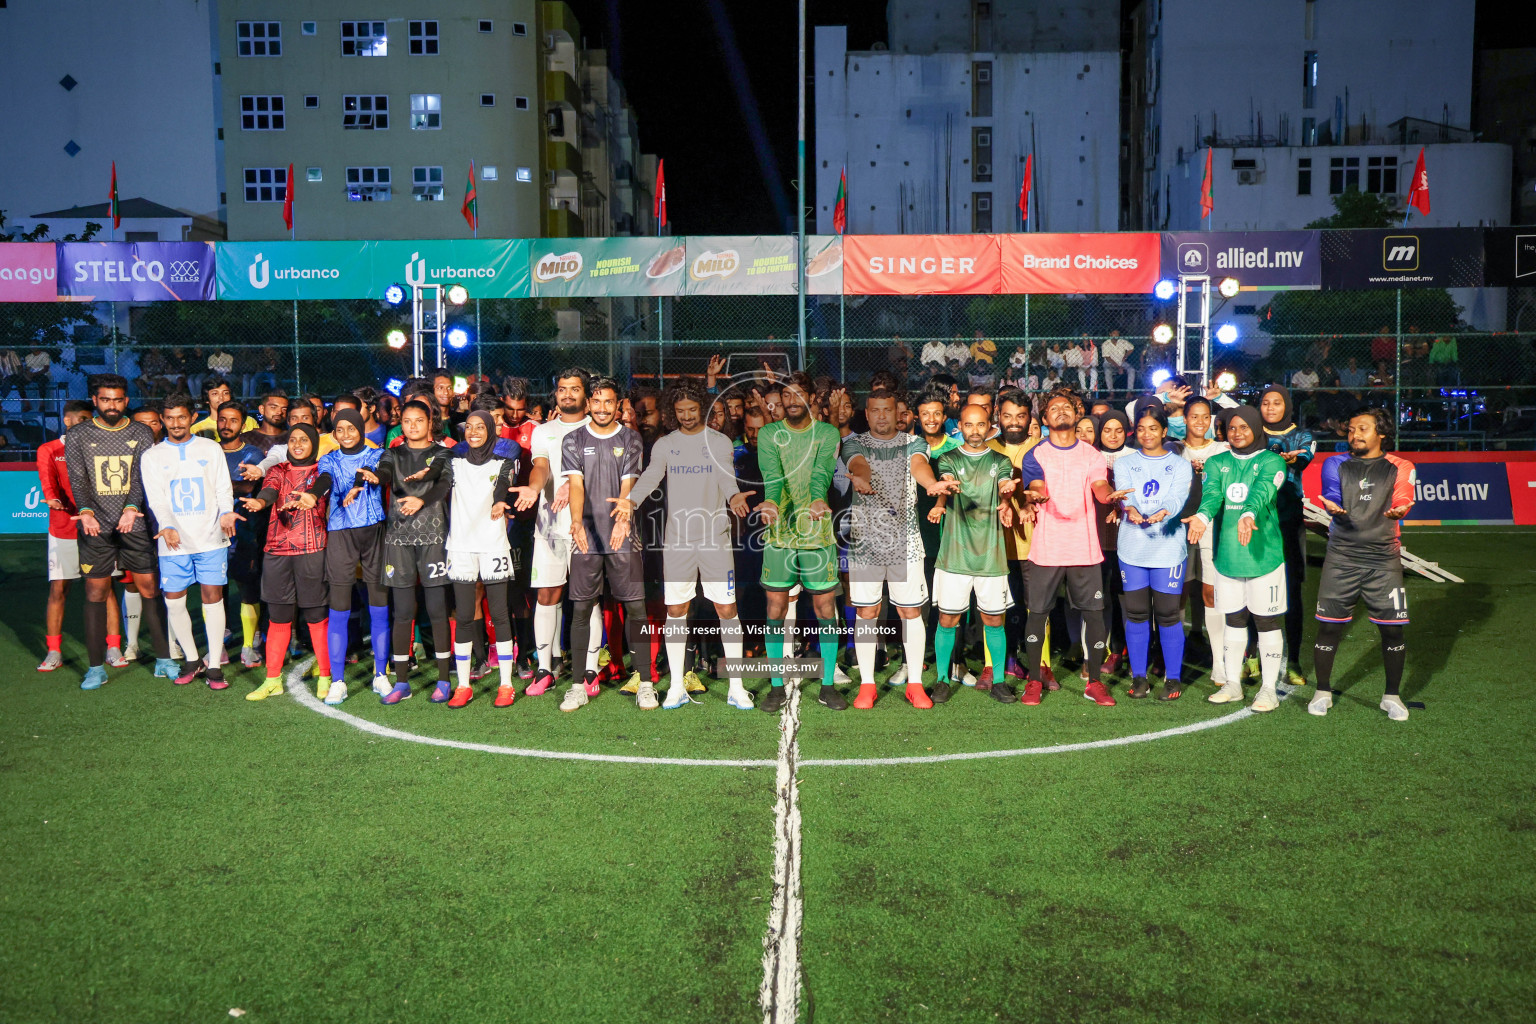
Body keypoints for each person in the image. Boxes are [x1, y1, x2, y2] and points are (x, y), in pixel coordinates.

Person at [620, 380, 754, 709]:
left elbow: (725, 478)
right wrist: (631, 501)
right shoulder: (666, 444)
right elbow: (651, 475)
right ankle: (677, 687)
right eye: (680, 412)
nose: (687, 417)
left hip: (714, 540)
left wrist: (734, 494)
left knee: (727, 609)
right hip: (678, 542)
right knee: (676, 610)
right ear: (672, 413)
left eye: (692, 410)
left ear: (702, 409)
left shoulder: (720, 442)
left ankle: (737, 688)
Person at [1018, 390, 1131, 706]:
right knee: (1037, 614)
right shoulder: (1035, 455)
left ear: (1077, 414)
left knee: (1094, 615)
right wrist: (1035, 496)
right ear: (1045, 418)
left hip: (1084, 548)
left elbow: (1099, 485)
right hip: (1047, 548)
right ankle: (1035, 681)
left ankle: (1094, 682)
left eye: (1066, 406)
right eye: (1053, 408)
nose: (1061, 411)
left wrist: (1109, 496)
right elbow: (1036, 485)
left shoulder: (1092, 455)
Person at [66, 374, 175, 689]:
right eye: (105, 399)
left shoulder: (140, 432)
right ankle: (96, 667)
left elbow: (143, 476)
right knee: (95, 593)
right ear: (95, 400)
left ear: (126, 401)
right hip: (95, 526)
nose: (111, 405)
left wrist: (130, 508)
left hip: (134, 524)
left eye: (117, 400)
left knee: (150, 589)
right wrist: (85, 512)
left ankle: (164, 658)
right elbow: (78, 477)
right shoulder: (79, 435)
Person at [1309, 407, 1415, 720]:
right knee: (1328, 626)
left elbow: (1404, 495)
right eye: (1352, 429)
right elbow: (1331, 491)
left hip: (1384, 560)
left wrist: (1401, 508)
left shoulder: (1400, 465)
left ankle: (1392, 696)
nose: (1354, 435)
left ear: (1381, 433)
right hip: (1341, 557)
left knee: (1393, 632)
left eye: (1363, 429)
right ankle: (1322, 691)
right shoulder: (1336, 462)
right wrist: (1332, 504)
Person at [843, 388, 945, 709]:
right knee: (867, 612)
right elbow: (860, 465)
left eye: (888, 410)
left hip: (905, 541)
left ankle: (915, 684)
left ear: (898, 413)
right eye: (876, 411)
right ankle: (868, 686)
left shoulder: (913, 442)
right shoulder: (853, 442)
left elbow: (918, 466)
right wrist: (860, 479)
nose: (882, 416)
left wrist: (930, 484)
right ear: (867, 413)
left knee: (909, 612)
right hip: (866, 542)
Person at [1184, 406, 1289, 711]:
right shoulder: (1217, 462)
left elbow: (1263, 491)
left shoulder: (1271, 460)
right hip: (1227, 555)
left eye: (1244, 427)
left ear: (1257, 428)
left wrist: (1247, 514)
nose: (1238, 433)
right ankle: (1233, 683)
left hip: (1263, 555)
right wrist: (1202, 516)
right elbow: (1213, 494)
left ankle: (1268, 689)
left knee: (1267, 621)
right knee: (1233, 619)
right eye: (1231, 428)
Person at [559, 378, 653, 711]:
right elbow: (576, 485)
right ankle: (577, 686)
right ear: (588, 405)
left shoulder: (631, 438)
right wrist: (576, 522)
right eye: (596, 402)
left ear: (618, 405)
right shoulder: (573, 440)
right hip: (587, 536)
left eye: (608, 402)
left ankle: (645, 683)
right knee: (582, 609)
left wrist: (624, 520)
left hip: (623, 536)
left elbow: (630, 483)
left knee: (636, 610)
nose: (601, 408)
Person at [756, 371, 845, 713]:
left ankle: (826, 685)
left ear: (812, 398)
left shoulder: (826, 432)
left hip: (818, 533)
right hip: (780, 535)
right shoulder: (769, 434)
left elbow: (823, 471)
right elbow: (774, 477)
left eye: (799, 395)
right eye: (786, 396)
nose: (792, 401)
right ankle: (777, 686)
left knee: (826, 610)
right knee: (775, 609)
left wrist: (819, 499)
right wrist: (772, 503)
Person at [141, 393, 240, 690]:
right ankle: (192, 659)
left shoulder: (210, 448)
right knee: (174, 601)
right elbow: (155, 498)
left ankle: (213, 666)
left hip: (211, 538)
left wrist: (226, 514)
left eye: (181, 417)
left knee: (213, 597)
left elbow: (224, 487)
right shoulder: (152, 456)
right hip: (173, 541)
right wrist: (167, 525)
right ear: (162, 421)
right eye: (169, 418)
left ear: (192, 418)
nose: (175, 423)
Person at [927, 404, 1019, 703]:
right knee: (947, 619)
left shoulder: (1000, 460)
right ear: (960, 428)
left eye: (981, 425)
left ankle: (1000, 681)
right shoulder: (948, 458)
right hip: (955, 554)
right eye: (969, 425)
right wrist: (942, 499)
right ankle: (942, 679)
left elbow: (1005, 481)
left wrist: (1007, 489)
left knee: (994, 621)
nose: (975, 431)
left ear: (989, 425)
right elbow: (946, 482)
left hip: (991, 554)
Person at [299, 408, 388, 705]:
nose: (346, 434)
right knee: (339, 606)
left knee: (378, 603)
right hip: (340, 533)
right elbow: (324, 479)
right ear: (334, 433)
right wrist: (313, 494)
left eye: (352, 428)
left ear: (362, 428)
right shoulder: (329, 458)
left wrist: (359, 484)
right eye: (340, 429)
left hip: (374, 531)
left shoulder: (376, 454)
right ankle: (338, 681)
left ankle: (380, 674)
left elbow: (375, 474)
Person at [237, 423, 332, 701]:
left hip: (311, 549)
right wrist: (261, 503)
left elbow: (323, 486)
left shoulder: (322, 471)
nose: (298, 444)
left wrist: (310, 497)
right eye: (293, 440)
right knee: (278, 617)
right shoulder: (277, 470)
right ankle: (272, 679)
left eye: (304, 440)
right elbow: (269, 490)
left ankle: (325, 675)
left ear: (314, 442)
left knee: (315, 615)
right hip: (277, 551)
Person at [369, 399, 455, 704]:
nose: (413, 426)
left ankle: (444, 680)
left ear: (429, 422)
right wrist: (375, 477)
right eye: (407, 421)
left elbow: (443, 483)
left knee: (437, 610)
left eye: (419, 420)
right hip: (399, 540)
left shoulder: (442, 452)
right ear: (400, 424)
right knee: (403, 612)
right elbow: (384, 472)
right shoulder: (392, 452)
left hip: (434, 537)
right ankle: (402, 682)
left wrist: (422, 499)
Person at [442, 410, 529, 708]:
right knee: (464, 616)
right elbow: (439, 485)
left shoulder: (503, 461)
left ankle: (506, 685)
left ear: (492, 430)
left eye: (481, 427)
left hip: (493, 544)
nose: (474, 431)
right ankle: (463, 685)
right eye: (470, 426)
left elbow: (503, 485)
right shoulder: (453, 461)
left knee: (501, 613)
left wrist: (499, 502)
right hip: (461, 547)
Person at [516, 368, 592, 695]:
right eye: (562, 389)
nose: (567, 394)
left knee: (588, 599)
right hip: (548, 526)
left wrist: (572, 486)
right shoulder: (543, 431)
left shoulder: (597, 427)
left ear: (586, 395)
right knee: (547, 595)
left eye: (574, 389)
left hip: (586, 526)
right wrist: (534, 489)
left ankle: (590, 671)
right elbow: (541, 466)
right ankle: (545, 668)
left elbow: (601, 471)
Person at [38, 401, 127, 672]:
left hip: (100, 529)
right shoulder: (50, 449)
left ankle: (113, 647)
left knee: (106, 588)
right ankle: (54, 651)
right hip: (63, 529)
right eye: (83, 419)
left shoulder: (99, 447)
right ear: (67, 421)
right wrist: (52, 498)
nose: (88, 424)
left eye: (90, 419)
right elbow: (48, 482)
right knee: (59, 590)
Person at [1114, 407, 1194, 700]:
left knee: (1168, 614)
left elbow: (1176, 497)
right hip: (1133, 548)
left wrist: (1164, 512)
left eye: (1153, 428)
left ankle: (1172, 679)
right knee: (1136, 613)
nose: (1147, 434)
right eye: (1142, 428)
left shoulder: (1180, 465)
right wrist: (1131, 509)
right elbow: (1126, 492)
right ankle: (1139, 678)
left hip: (1168, 549)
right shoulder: (1124, 463)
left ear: (1163, 432)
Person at [1259, 385, 1315, 686]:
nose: (1270, 407)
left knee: (1292, 590)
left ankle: (1293, 660)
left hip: (1289, 519)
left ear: (1287, 406)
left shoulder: (1301, 435)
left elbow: (1305, 457)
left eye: (1277, 403)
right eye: (1265, 403)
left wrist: (1294, 459)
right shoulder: (1252, 433)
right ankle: (1251, 658)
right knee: (1253, 586)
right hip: (1256, 519)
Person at [1178, 397, 1232, 690]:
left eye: (1205, 417)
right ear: (1183, 419)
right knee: (1180, 593)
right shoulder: (1174, 449)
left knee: (1211, 593)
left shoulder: (1222, 450)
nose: (1199, 422)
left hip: (1212, 526)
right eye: (1193, 416)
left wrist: (1222, 398)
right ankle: (1171, 658)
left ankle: (1219, 664)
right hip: (1179, 528)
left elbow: (1243, 418)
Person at [216, 401, 267, 668]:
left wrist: (217, 484)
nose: (226, 425)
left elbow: (248, 485)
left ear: (243, 424)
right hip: (211, 530)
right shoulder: (209, 451)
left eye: (233, 420)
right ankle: (220, 640)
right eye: (222, 419)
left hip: (244, 530)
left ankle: (249, 644)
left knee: (247, 585)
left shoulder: (252, 453)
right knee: (214, 587)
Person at [191, 376, 257, 440]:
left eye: (225, 393)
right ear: (207, 399)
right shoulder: (197, 429)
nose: (221, 398)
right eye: (215, 394)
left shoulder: (249, 421)